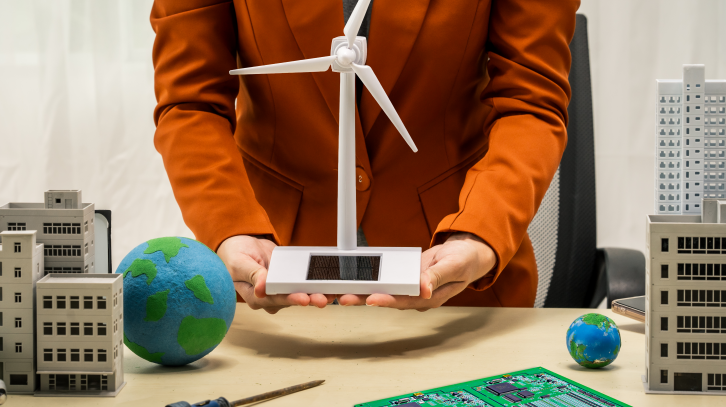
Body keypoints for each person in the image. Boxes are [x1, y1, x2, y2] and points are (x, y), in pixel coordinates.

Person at [151, 0, 579, 314]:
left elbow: (530, 104)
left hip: (456, 286)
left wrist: (480, 233)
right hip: (270, 279)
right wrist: (229, 227)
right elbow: (191, 105)